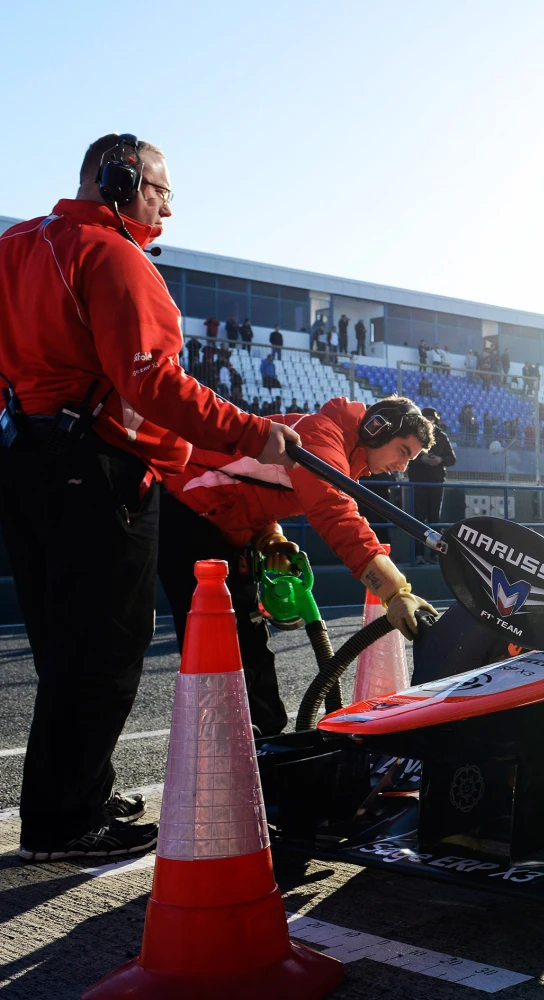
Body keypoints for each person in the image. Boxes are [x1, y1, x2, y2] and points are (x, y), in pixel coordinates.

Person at [0, 133, 301, 862]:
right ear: (121, 180)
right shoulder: (112, 255)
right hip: (100, 470)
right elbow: (153, 382)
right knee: (104, 648)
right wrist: (252, 433)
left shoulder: (13, 247)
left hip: (22, 460)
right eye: (160, 191)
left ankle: (80, 793)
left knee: (62, 644)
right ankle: (64, 824)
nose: (166, 208)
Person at [157, 396, 433, 735]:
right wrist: (395, 591)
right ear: (379, 429)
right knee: (219, 644)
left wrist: (270, 538)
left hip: (213, 523)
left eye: (410, 459)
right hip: (184, 512)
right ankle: (231, 743)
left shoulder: (337, 450)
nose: (402, 466)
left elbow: (245, 486)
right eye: (403, 451)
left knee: (247, 641)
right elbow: (335, 515)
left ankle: (263, 740)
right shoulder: (321, 434)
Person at [407, 406, 457, 563]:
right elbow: (405, 455)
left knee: (435, 518)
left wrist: (440, 460)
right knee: (418, 518)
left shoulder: (441, 436)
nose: (429, 421)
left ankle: (435, 554)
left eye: (432, 418)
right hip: (418, 481)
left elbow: (452, 459)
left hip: (436, 482)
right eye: (427, 418)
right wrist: (421, 459)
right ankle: (419, 554)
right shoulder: (413, 435)